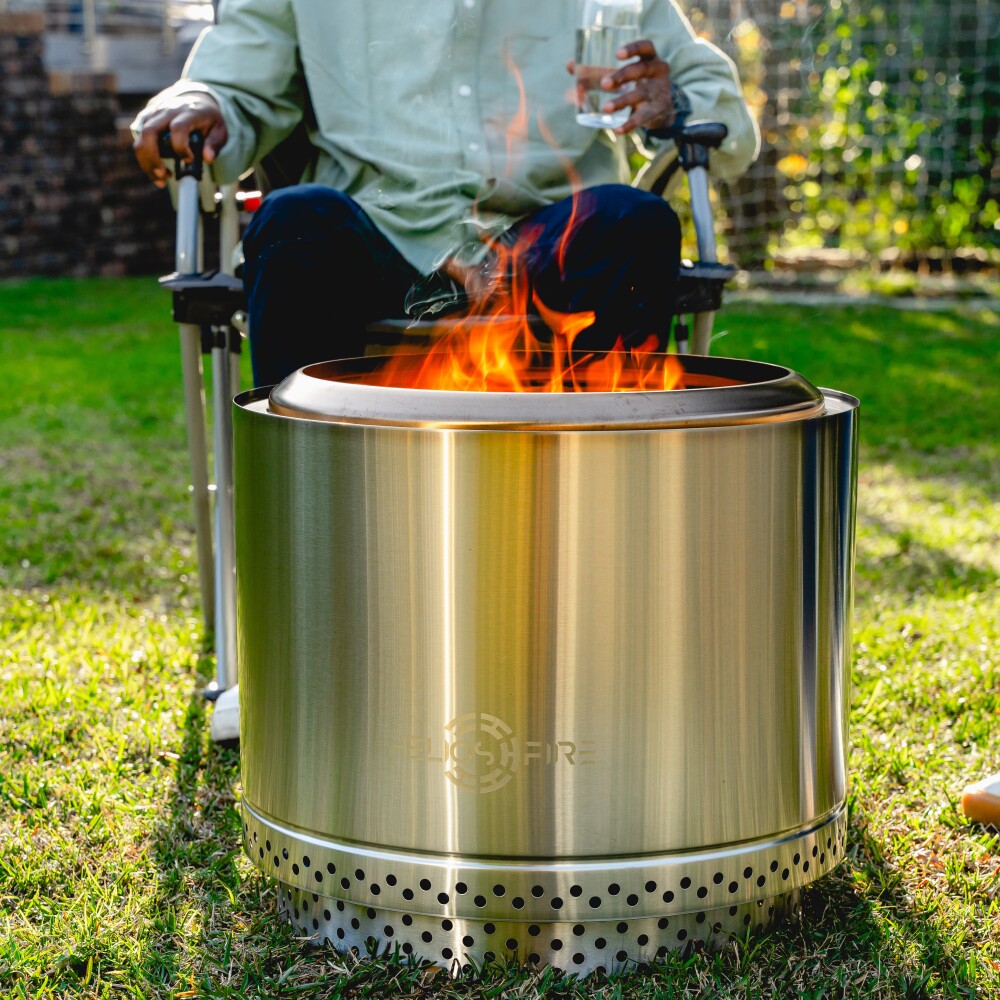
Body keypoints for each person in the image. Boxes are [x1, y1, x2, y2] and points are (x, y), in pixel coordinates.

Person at [134, 0, 758, 388]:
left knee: (633, 220)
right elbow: (235, 89)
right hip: (380, 242)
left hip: (548, 247)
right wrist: (201, 104)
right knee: (295, 220)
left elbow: (721, 116)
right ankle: (312, 522)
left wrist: (671, 100)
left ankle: (602, 518)